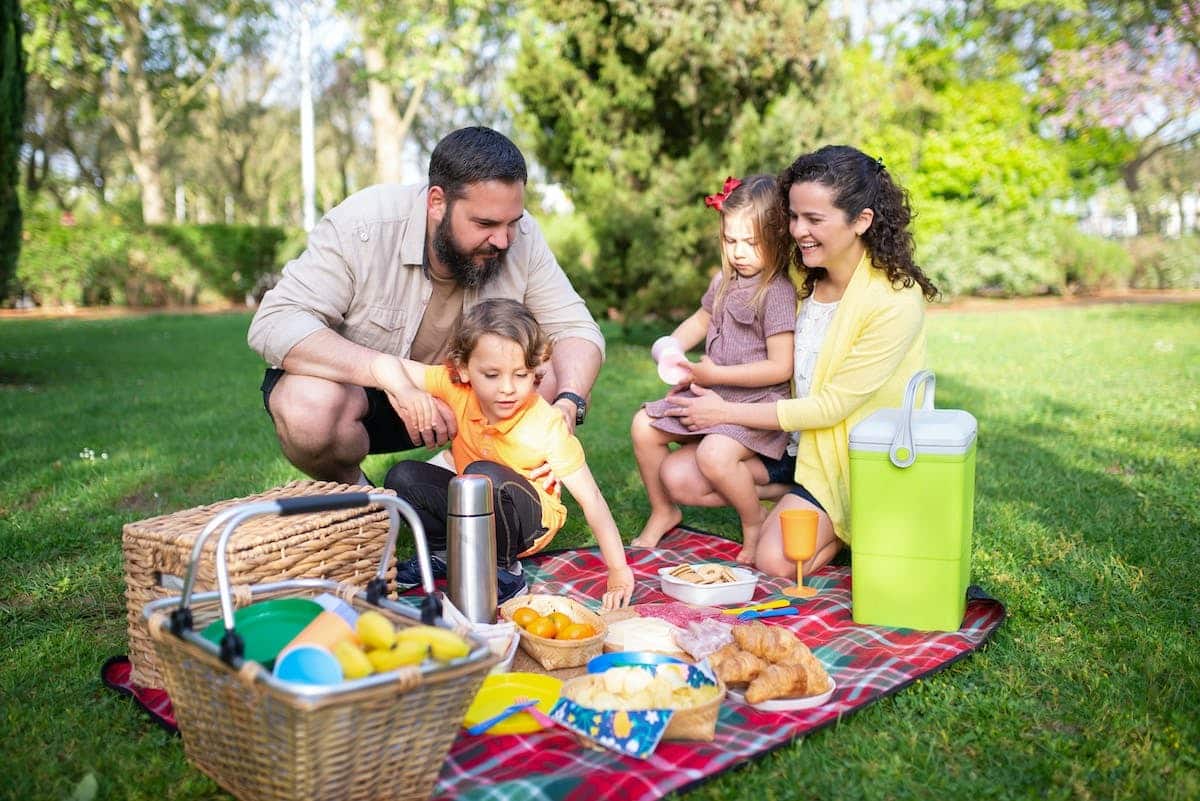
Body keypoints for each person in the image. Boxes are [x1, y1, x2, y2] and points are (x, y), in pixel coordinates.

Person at [247, 127, 605, 487]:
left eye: (512, 222)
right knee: (305, 406)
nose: (502, 239)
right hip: (367, 396)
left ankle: (466, 484)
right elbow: (275, 322)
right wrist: (384, 372)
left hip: (468, 396)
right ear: (437, 202)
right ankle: (364, 501)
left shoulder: (522, 237)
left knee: (558, 369)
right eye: (485, 224)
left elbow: (576, 330)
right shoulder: (364, 223)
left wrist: (569, 402)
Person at [661, 145, 939, 579]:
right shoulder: (802, 275)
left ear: (861, 221)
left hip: (845, 458)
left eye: (814, 219)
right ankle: (792, 496)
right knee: (678, 476)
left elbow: (831, 407)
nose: (797, 230)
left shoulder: (893, 302)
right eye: (793, 216)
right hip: (794, 445)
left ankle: (850, 521)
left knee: (777, 561)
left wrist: (723, 410)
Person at [381, 298, 636, 610]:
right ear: (463, 370)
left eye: (520, 374)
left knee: (482, 474)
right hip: (476, 506)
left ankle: (505, 572)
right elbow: (384, 364)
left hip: (527, 524)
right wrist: (405, 391)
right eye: (491, 375)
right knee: (402, 476)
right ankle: (443, 554)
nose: (507, 388)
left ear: (535, 371)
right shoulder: (455, 388)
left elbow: (592, 499)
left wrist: (619, 571)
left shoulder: (545, 424)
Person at [629, 175, 796, 564]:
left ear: (777, 238)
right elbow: (703, 318)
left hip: (753, 402)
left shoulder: (777, 292)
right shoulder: (724, 281)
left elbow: (780, 366)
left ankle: (754, 522)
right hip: (709, 389)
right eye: (730, 240)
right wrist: (672, 344)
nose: (739, 252)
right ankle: (663, 510)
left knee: (715, 455)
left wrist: (714, 375)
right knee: (642, 426)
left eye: (752, 243)